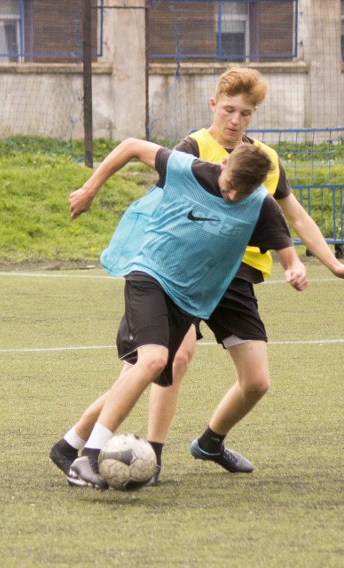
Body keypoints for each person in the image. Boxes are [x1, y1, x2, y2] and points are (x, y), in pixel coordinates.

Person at [50, 68, 344, 486]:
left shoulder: (264, 165)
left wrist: (326, 263)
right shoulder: (192, 153)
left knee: (255, 380)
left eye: (246, 114)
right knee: (165, 361)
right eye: (230, 109)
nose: (235, 120)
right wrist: (93, 191)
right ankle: (148, 457)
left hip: (233, 279)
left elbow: (291, 220)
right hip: (177, 273)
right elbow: (158, 205)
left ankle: (209, 442)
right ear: (215, 104)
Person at [52, 136, 307, 489]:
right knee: (153, 361)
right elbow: (129, 146)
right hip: (149, 274)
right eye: (230, 186)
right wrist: (90, 188)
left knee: (141, 372)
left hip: (187, 300)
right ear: (224, 166)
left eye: (243, 193)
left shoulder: (260, 204)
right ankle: (89, 459)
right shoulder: (187, 168)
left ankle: (68, 446)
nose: (233, 197)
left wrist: (294, 269)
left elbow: (286, 250)